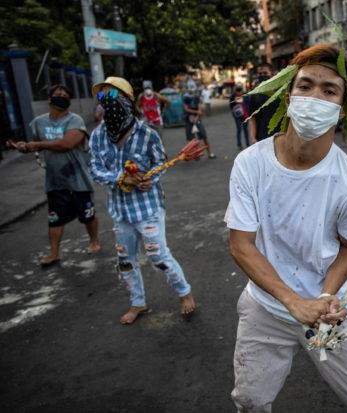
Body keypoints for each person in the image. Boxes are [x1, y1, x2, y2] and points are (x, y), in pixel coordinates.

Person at [226, 44, 347, 412]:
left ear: (342, 109)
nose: (315, 96)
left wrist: (322, 298)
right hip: (265, 307)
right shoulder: (250, 165)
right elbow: (241, 245)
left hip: (329, 314)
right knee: (250, 401)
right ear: (289, 96)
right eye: (305, 85)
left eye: (329, 90)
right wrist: (292, 301)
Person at [89, 76, 196, 324]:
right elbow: (94, 169)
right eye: (103, 97)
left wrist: (151, 180)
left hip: (147, 209)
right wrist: (119, 178)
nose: (107, 101)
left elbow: (161, 164)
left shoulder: (147, 134)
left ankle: (184, 292)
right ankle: (138, 303)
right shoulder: (97, 136)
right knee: (125, 260)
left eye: (113, 95)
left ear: (127, 100)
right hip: (120, 212)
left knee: (157, 256)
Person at [14, 84, 100, 267]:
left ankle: (94, 240)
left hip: (78, 177)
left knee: (87, 214)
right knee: (54, 218)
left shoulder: (75, 120)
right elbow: (36, 143)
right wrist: (25, 146)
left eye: (65, 95)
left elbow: (67, 143)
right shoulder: (39, 122)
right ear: (49, 99)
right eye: (58, 94)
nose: (62, 97)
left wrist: (37, 145)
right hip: (55, 179)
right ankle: (54, 252)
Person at [246, 63, 280, 144]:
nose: (262, 76)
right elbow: (252, 118)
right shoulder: (254, 94)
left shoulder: (281, 92)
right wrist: (253, 138)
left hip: (280, 137)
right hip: (261, 139)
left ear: (272, 74)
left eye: (265, 73)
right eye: (260, 74)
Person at [183, 82, 215, 158]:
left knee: (204, 136)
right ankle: (192, 155)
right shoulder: (185, 97)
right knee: (190, 139)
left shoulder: (196, 97)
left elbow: (199, 108)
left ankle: (210, 153)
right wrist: (196, 112)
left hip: (197, 120)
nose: (191, 90)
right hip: (188, 120)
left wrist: (197, 117)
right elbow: (186, 109)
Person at [229, 85, 249, 150]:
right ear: (236, 92)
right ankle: (239, 144)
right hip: (237, 116)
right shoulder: (232, 97)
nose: (239, 93)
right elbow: (231, 106)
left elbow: (248, 104)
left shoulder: (244, 96)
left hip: (245, 115)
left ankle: (247, 144)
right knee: (239, 129)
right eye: (238, 92)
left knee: (246, 130)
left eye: (240, 92)